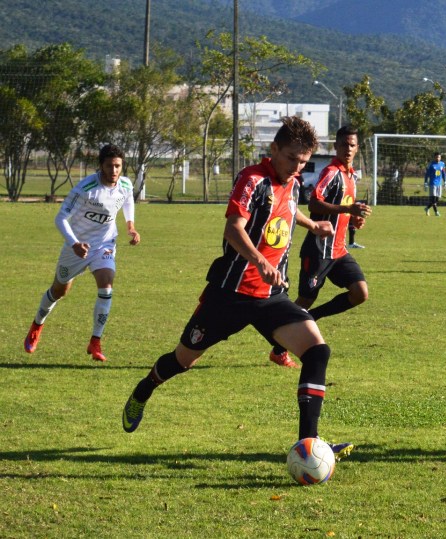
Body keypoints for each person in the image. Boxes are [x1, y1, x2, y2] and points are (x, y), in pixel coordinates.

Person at [121, 117, 354, 460]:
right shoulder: (252, 179)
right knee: (182, 360)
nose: (297, 167)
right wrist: (260, 261)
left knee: (317, 351)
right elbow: (234, 228)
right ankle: (145, 389)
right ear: (274, 149)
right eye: (292, 158)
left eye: (304, 161)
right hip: (228, 295)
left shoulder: (292, 183)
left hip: (270, 297)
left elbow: (287, 209)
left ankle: (308, 445)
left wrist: (312, 223)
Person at [23, 144, 140, 362]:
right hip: (75, 247)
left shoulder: (125, 184)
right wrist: (75, 243)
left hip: (104, 244)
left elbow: (127, 201)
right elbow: (60, 218)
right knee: (59, 291)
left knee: (107, 284)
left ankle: (95, 341)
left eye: (118, 166)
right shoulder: (85, 189)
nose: (114, 171)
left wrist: (130, 226)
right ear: (101, 166)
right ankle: (37, 324)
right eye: (110, 166)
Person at [269, 125, 371, 368]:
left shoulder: (351, 176)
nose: (348, 149)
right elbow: (314, 203)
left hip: (339, 251)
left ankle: (312, 318)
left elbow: (343, 210)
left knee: (360, 293)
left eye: (352, 145)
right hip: (318, 251)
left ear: (357, 148)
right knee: (303, 301)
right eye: (344, 144)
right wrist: (348, 209)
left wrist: (354, 218)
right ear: (336, 146)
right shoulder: (332, 172)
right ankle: (278, 349)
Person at [424, 152, 446, 216]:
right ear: (434, 157)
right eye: (437, 157)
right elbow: (427, 174)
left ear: (440, 157)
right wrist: (425, 183)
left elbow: (443, 173)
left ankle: (427, 208)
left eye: (439, 157)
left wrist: (445, 182)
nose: (438, 158)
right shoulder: (431, 165)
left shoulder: (442, 164)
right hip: (432, 184)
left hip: (439, 184)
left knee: (436, 200)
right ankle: (436, 212)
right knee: (433, 199)